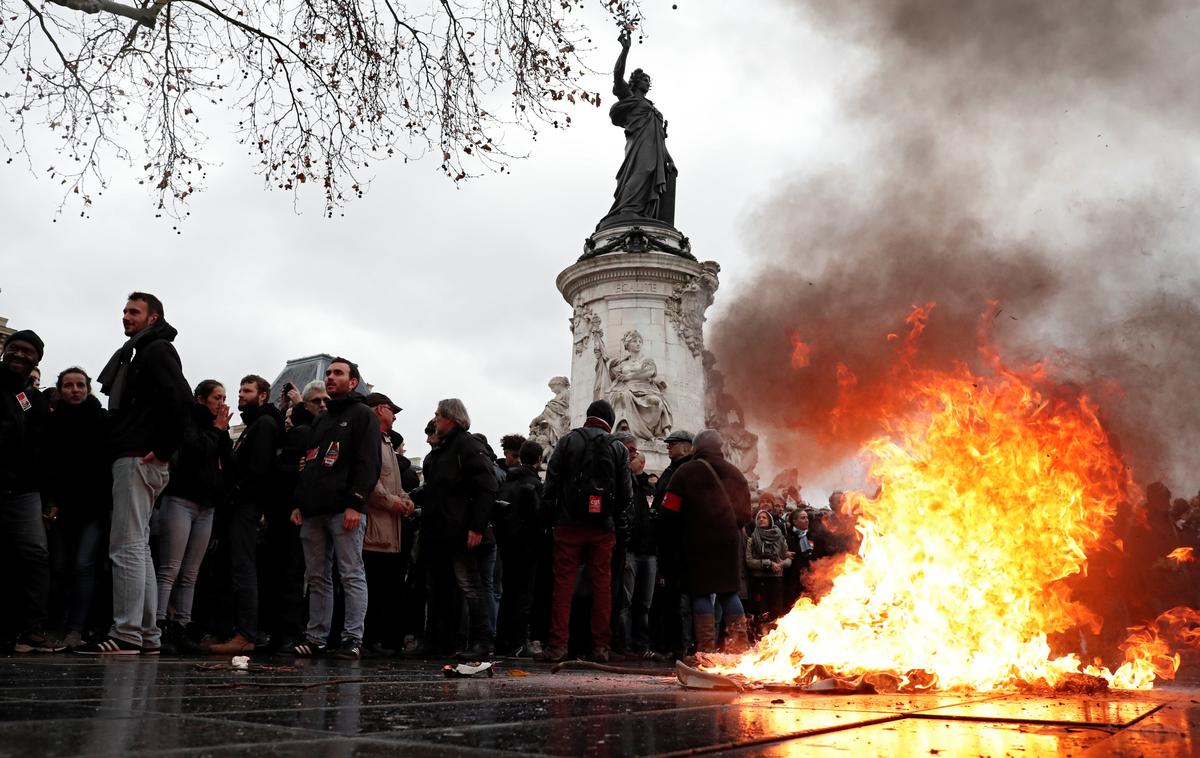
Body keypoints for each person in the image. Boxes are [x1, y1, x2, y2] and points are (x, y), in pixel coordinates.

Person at [80, 293, 191, 655]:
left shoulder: (155, 350)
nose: (126, 317)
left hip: (138, 457)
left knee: (126, 546)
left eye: (134, 311)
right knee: (138, 547)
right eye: (125, 311)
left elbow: (180, 399)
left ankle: (127, 631)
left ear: (153, 317)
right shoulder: (145, 350)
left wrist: (161, 450)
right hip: (142, 456)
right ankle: (145, 633)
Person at [289, 357, 381, 659]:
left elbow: (368, 463)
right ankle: (316, 636)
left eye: (338, 373)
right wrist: (299, 502)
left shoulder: (362, 415)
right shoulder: (322, 418)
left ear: (352, 381)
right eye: (328, 372)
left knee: (350, 574)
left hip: (345, 509)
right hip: (314, 510)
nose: (330, 377)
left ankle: (352, 638)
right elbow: (311, 464)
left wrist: (356, 502)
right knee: (316, 576)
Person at [537, 399, 632, 663]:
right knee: (603, 585)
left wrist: (553, 518)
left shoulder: (568, 441)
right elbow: (626, 495)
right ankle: (600, 646)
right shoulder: (618, 447)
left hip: (568, 525)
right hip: (603, 529)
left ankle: (558, 645)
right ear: (609, 421)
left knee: (564, 584)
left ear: (588, 417)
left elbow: (551, 485)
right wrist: (609, 513)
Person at [411, 399, 499, 661]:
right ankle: (439, 640)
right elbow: (435, 489)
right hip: (439, 531)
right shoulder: (444, 450)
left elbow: (487, 487)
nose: (435, 419)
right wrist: (411, 498)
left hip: (460, 531)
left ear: (451, 418)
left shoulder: (467, 446)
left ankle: (480, 641)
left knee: (470, 586)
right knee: (439, 588)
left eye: (438, 414)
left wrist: (477, 527)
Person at [155, 379, 232, 653]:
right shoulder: (188, 421)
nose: (221, 403)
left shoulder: (217, 429)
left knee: (191, 572)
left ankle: (183, 625)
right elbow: (195, 451)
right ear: (201, 399)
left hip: (206, 505)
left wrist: (222, 434)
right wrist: (217, 430)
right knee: (170, 568)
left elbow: (226, 462)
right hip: (181, 499)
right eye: (217, 398)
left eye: (224, 398)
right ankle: (159, 623)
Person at [208, 375, 282, 654]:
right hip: (240, 504)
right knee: (236, 567)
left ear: (263, 395)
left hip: (246, 506)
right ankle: (236, 629)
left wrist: (237, 492)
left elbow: (258, 471)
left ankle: (246, 633)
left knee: (244, 568)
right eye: (239, 390)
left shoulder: (263, 425)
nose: (240, 394)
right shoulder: (254, 424)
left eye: (247, 390)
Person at [662, 429, 752, 655]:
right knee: (729, 592)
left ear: (696, 448)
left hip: (696, 543)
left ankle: (705, 651)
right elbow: (746, 515)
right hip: (729, 543)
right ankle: (739, 648)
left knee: (700, 592)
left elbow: (669, 511)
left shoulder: (685, 472)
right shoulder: (736, 473)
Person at [0, 329, 62, 653]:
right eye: (15, 348)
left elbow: (46, 451)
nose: (20, 355)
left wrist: (50, 497)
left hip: (25, 489)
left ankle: (32, 628)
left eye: (28, 352)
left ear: (37, 360)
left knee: (35, 556)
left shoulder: (34, 399)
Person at [44, 367, 112, 649]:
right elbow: (47, 464)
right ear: (60, 390)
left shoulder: (101, 419)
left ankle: (76, 628)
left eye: (80, 385)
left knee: (84, 565)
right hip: (60, 506)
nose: (75, 390)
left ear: (88, 388)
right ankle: (55, 625)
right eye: (69, 385)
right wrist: (50, 501)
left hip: (92, 507)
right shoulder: (51, 422)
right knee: (58, 566)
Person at [597, 29, 677, 230]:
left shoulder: (652, 108)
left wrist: (669, 157)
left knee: (651, 175)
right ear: (635, 82)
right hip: (639, 144)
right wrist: (625, 50)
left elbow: (660, 137)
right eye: (644, 80)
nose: (647, 83)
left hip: (655, 148)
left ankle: (643, 213)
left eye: (649, 81)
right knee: (641, 171)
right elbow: (617, 75)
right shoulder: (629, 97)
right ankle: (628, 209)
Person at [363, 392, 415, 656]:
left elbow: (395, 484)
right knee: (372, 586)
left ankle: (375, 639)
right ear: (379, 410)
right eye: (391, 410)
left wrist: (405, 500)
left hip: (388, 528)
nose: (394, 416)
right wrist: (395, 502)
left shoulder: (384, 443)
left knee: (382, 587)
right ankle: (368, 640)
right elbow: (370, 482)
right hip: (375, 526)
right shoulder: (371, 439)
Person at [494, 440, 546, 657]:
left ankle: (503, 641)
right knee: (523, 596)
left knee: (508, 594)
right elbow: (538, 518)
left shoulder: (507, 482)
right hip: (528, 546)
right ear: (538, 460)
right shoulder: (534, 485)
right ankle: (517, 642)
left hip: (507, 544)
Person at [650, 429, 692, 659]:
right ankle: (666, 644)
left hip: (676, 542)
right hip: (665, 541)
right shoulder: (672, 469)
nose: (667, 447)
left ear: (686, 446)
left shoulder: (685, 470)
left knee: (676, 598)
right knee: (665, 597)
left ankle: (678, 647)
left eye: (672, 444)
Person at [622, 450, 658, 658]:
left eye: (633, 458)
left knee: (645, 603)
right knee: (626, 602)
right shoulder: (627, 484)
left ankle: (642, 645)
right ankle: (625, 646)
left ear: (641, 464)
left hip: (649, 552)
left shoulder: (648, 488)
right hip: (631, 550)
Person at [745, 509, 792, 629]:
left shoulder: (780, 538)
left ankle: (776, 636)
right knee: (761, 612)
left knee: (776, 611)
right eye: (759, 518)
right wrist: (768, 564)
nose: (761, 519)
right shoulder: (752, 540)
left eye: (764, 517)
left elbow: (788, 558)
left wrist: (782, 564)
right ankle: (761, 637)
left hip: (776, 579)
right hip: (759, 580)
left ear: (770, 520)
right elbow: (749, 561)